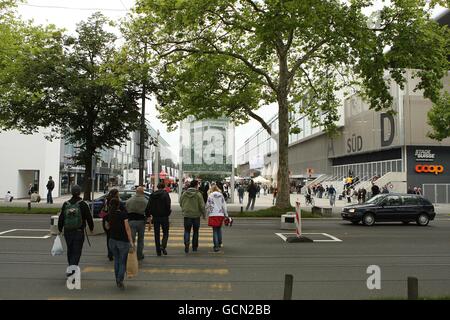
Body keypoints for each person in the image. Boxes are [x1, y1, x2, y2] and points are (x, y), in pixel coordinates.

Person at [57, 185, 94, 278]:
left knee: (70, 250)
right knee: (77, 252)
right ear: (80, 192)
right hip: (79, 231)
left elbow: (61, 217)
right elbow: (89, 217)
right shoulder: (83, 204)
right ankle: (72, 270)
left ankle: (71, 267)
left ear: (71, 192)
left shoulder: (66, 204)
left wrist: (60, 228)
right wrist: (91, 228)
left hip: (68, 231)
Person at [104, 197, 134, 290]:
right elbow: (127, 228)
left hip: (112, 241)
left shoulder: (108, 215)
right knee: (122, 261)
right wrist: (131, 241)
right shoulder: (123, 215)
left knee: (116, 260)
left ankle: (117, 279)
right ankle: (120, 279)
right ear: (118, 205)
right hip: (123, 241)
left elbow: (107, 227)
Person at [180, 180, 206, 253]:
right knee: (196, 231)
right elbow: (202, 205)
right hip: (196, 216)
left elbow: (180, 202)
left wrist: (184, 209)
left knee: (187, 230)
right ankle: (194, 247)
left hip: (187, 215)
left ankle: (186, 243)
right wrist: (204, 214)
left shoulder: (184, 193)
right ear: (196, 185)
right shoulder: (198, 194)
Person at [146, 182, 171, 256]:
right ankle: (163, 246)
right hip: (164, 217)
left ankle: (158, 251)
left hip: (155, 217)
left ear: (157, 187)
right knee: (165, 232)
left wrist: (148, 215)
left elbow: (149, 206)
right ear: (163, 187)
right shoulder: (166, 194)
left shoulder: (152, 195)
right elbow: (168, 205)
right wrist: (168, 212)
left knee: (156, 234)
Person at [125, 186, 148, 261]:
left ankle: (131, 254)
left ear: (136, 192)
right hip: (141, 221)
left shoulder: (129, 200)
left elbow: (126, 208)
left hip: (131, 221)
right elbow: (147, 211)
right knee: (141, 240)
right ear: (142, 192)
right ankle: (139, 255)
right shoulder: (145, 201)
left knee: (132, 239)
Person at [206, 184, 228, 252]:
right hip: (220, 214)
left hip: (213, 214)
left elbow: (208, 205)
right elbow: (224, 205)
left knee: (214, 230)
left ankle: (216, 246)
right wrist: (226, 214)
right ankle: (219, 242)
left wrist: (207, 214)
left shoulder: (210, 195)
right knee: (219, 229)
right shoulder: (221, 195)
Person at [102, 189, 121, 261]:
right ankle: (114, 252)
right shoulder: (116, 201)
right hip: (114, 221)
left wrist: (105, 218)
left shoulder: (106, 200)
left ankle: (110, 253)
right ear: (115, 194)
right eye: (118, 193)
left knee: (109, 238)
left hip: (106, 222)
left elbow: (102, 212)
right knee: (115, 238)